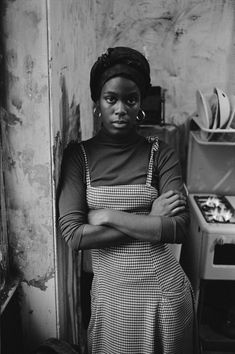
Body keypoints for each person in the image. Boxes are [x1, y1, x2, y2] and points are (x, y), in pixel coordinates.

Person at [58, 47, 198, 354]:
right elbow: (75, 236)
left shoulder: (161, 153)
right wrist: (151, 219)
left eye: (130, 99)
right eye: (111, 99)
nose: (121, 108)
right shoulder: (77, 157)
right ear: (97, 103)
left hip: (163, 297)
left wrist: (107, 215)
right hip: (110, 300)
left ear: (140, 104)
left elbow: (178, 228)